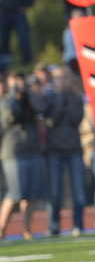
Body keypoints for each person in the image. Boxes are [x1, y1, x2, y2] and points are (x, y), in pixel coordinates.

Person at [0, 72, 47, 239]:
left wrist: (29, 94)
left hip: (32, 149)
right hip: (13, 151)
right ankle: (2, 228)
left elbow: (42, 109)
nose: (18, 85)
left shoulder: (30, 98)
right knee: (15, 193)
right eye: (15, 82)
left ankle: (27, 229)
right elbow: (10, 117)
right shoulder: (6, 100)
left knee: (31, 194)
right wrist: (15, 95)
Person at [44, 66, 86, 236]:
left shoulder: (76, 97)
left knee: (78, 191)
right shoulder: (48, 98)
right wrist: (59, 103)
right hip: (54, 150)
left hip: (74, 149)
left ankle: (78, 225)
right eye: (57, 78)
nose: (61, 81)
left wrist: (66, 101)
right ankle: (54, 226)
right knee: (55, 191)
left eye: (64, 78)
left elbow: (77, 118)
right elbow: (50, 121)